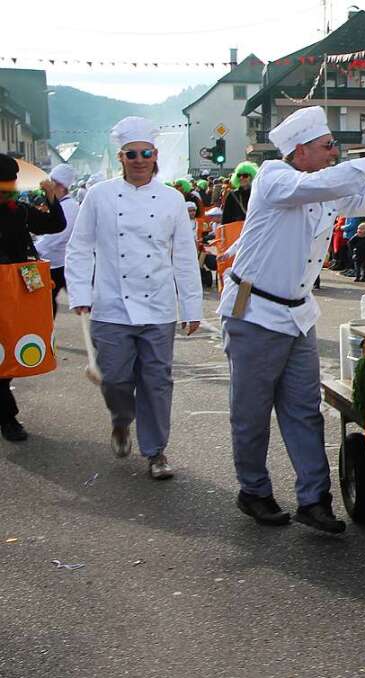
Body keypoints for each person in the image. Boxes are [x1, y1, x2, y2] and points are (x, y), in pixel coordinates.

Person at [216, 105, 365, 533]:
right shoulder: (275, 177)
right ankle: (253, 490)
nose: (334, 152)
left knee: (304, 411)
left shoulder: (320, 186)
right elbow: (333, 182)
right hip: (254, 311)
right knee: (251, 412)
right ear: (301, 150)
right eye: (327, 146)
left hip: (297, 314)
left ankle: (314, 499)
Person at [65, 116, 202, 480]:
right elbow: (79, 248)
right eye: (131, 154)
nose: (139, 159)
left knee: (157, 381)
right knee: (115, 379)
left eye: (146, 153)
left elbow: (185, 257)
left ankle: (156, 452)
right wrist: (79, 292)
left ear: (155, 156)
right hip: (111, 304)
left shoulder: (173, 199)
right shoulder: (99, 196)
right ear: (121, 156)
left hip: (158, 305)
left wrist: (191, 307)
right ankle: (121, 419)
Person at [0, 154, 66, 442]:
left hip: (15, 292)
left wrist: (51, 198)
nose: (8, 193)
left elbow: (54, 225)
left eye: (9, 188)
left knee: (11, 349)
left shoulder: (20, 211)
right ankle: (8, 417)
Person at [33, 163, 79, 315]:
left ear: (60, 186)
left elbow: (55, 237)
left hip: (58, 264)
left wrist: (34, 251)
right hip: (52, 261)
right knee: (45, 300)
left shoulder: (70, 207)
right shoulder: (60, 204)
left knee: (45, 300)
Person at [221, 161, 258, 225]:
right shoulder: (232, 195)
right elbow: (225, 219)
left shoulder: (257, 194)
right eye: (239, 175)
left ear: (252, 177)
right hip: (236, 231)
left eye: (245, 175)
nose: (241, 178)